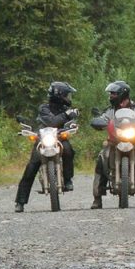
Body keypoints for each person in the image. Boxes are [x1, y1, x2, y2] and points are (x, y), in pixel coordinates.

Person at [91, 80, 135, 208]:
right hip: (114, 140)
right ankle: (97, 198)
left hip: (134, 140)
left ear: (122, 94)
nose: (111, 96)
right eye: (110, 94)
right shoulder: (110, 110)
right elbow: (104, 118)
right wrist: (99, 121)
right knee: (102, 159)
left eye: (113, 94)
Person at [14, 81, 79, 213]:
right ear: (59, 95)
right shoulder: (44, 108)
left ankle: (67, 180)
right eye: (66, 95)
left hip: (60, 138)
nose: (68, 98)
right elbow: (51, 122)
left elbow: (72, 123)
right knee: (31, 167)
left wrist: (72, 123)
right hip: (43, 139)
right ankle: (20, 202)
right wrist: (66, 115)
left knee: (68, 151)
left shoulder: (69, 110)